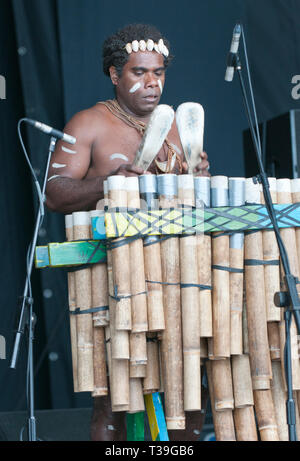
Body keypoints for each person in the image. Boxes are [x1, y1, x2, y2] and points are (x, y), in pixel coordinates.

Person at [46, 23, 210, 441]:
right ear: (115, 75)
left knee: (189, 394)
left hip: (179, 274)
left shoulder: (174, 126)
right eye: (139, 72)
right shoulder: (88, 123)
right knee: (115, 396)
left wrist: (200, 178)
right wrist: (112, 181)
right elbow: (54, 193)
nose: (151, 82)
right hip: (114, 280)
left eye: (158, 73)